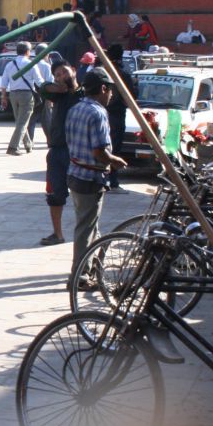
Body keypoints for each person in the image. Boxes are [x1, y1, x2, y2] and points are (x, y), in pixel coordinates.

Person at [65, 69, 127, 287]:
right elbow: (99, 151)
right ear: (103, 89)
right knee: (85, 228)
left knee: (91, 225)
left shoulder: (76, 108)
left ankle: (92, 268)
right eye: (109, 90)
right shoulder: (98, 113)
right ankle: (80, 276)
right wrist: (115, 161)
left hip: (75, 174)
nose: (110, 95)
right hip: (89, 176)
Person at [39, 61, 82, 246]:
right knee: (55, 194)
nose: (61, 76)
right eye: (57, 74)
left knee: (82, 194)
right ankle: (58, 234)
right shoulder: (57, 95)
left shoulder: (83, 94)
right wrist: (57, 87)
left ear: (73, 70)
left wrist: (70, 88)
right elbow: (43, 88)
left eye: (64, 72)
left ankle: (85, 234)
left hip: (77, 151)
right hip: (57, 150)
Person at [0, 41, 44, 156]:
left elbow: (4, 82)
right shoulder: (31, 64)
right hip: (26, 95)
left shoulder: (10, 64)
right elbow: (39, 82)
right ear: (28, 52)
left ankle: (28, 144)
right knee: (23, 122)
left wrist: (3, 97)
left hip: (13, 95)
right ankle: (13, 147)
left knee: (20, 121)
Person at [105, 44, 131, 194]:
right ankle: (113, 181)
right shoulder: (123, 74)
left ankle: (103, 179)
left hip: (103, 113)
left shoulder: (102, 71)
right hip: (117, 115)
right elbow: (132, 95)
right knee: (114, 149)